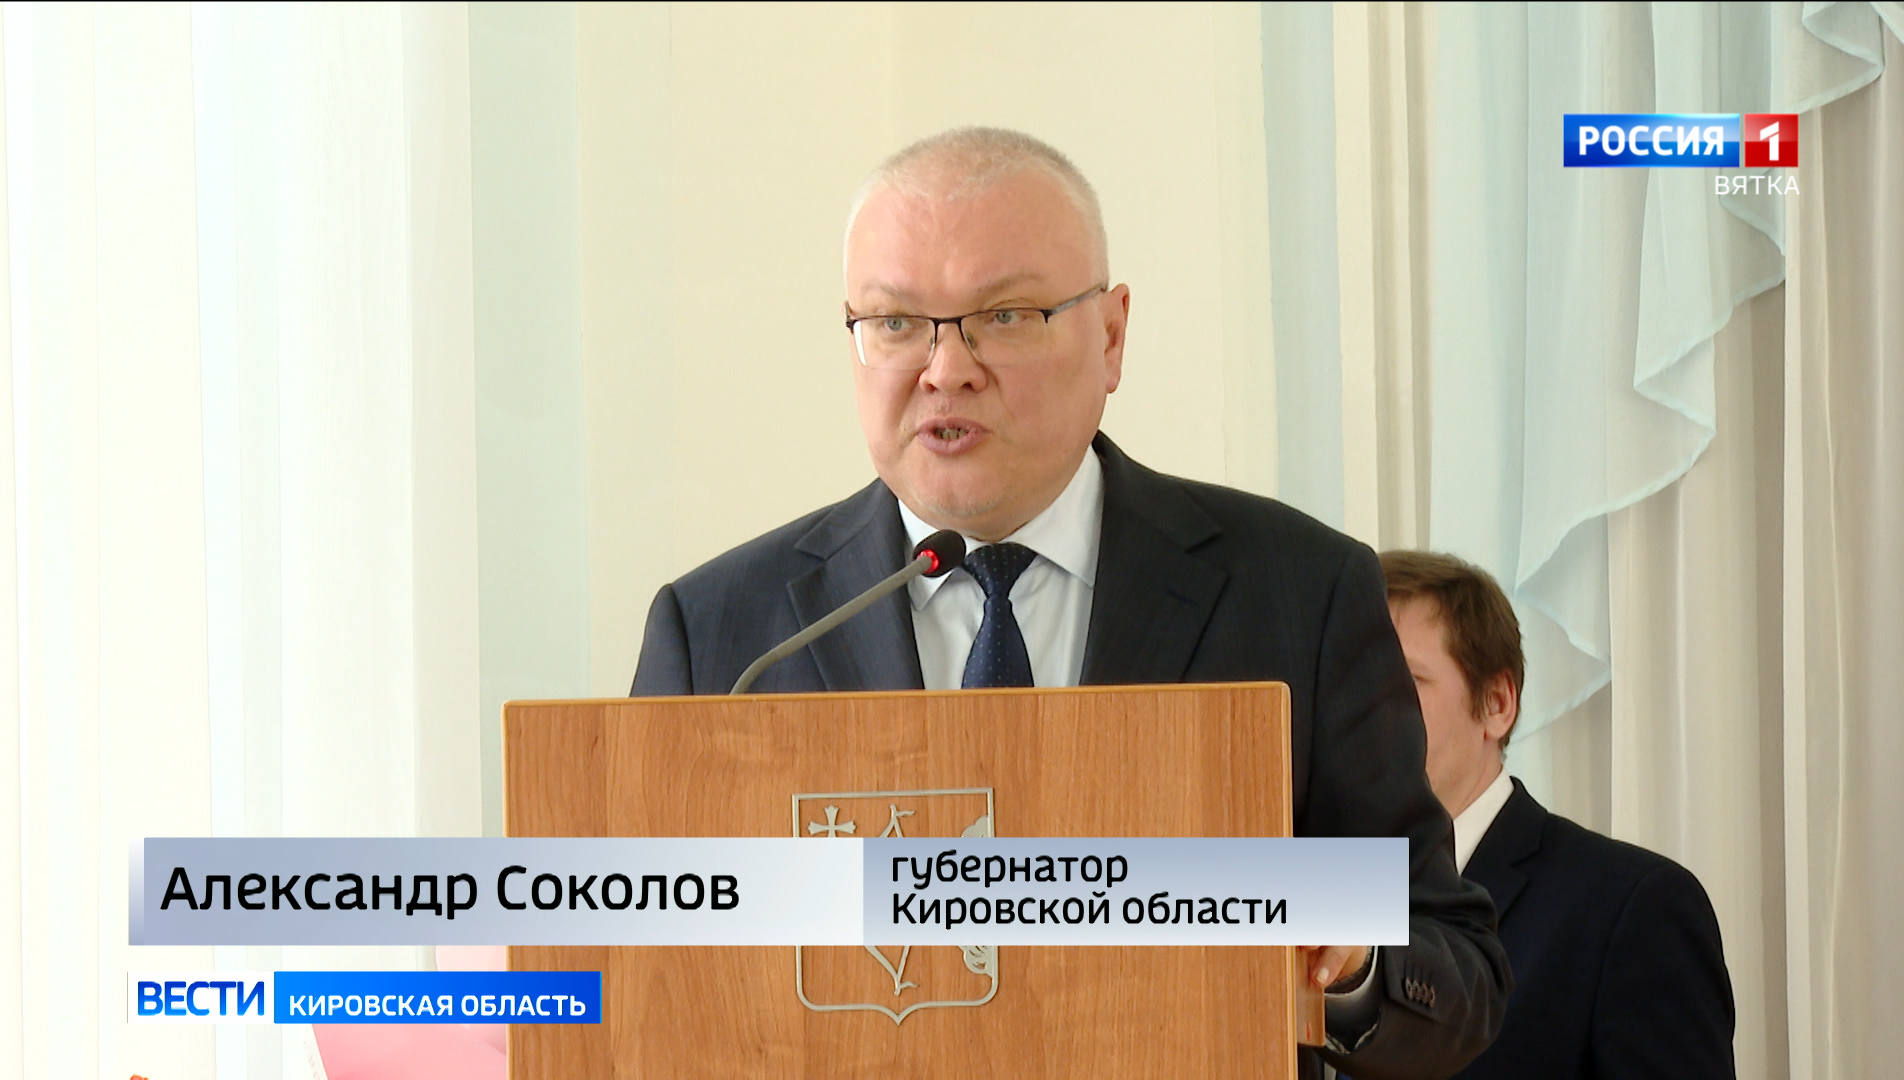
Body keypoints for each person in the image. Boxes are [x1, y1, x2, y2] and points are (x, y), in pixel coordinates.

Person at [632, 126, 1508, 1078]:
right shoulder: (724, 632)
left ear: (1112, 336)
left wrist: (1353, 964)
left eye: (1004, 315)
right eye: (895, 322)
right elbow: (633, 973)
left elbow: (1455, 972)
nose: (945, 368)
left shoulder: (1299, 590)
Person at [1379, 550, 1735, 1080]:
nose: (1364, 712)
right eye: (1350, 688)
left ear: (1497, 704)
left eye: (1402, 681)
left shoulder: (1635, 907)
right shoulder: (1325, 893)